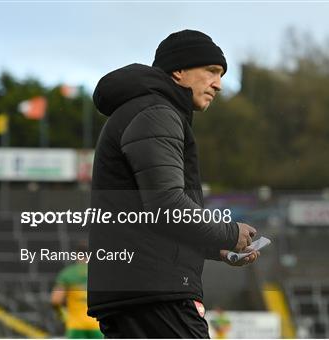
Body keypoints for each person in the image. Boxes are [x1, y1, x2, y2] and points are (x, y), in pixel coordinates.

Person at [87, 29, 259, 338]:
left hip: (139, 292)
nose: (218, 84)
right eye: (211, 71)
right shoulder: (157, 113)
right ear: (178, 71)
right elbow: (166, 206)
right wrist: (229, 233)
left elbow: (149, 217)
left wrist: (216, 247)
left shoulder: (148, 110)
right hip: (157, 294)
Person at [51, 258, 102, 338]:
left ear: (77, 255)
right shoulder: (99, 272)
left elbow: (56, 300)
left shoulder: (68, 273)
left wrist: (62, 316)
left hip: (75, 325)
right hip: (97, 325)